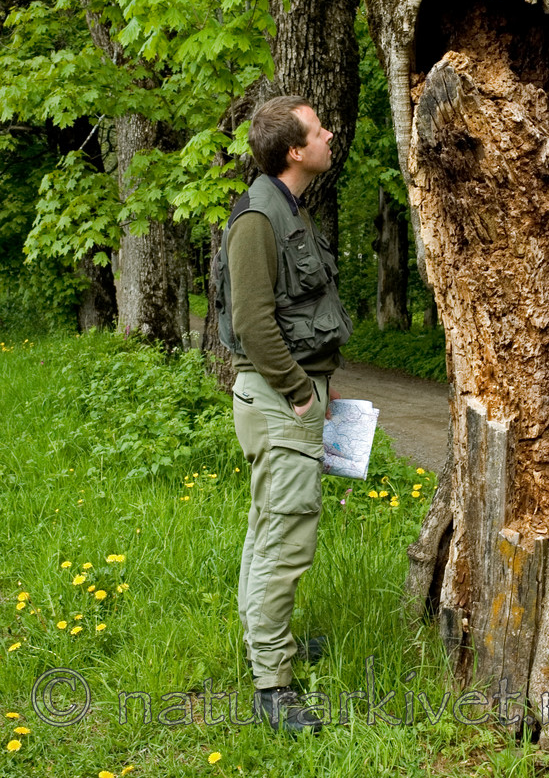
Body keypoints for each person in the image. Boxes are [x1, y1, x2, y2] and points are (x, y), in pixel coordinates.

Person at [215, 95, 353, 733]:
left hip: (290, 394)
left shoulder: (289, 209)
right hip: (278, 399)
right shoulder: (258, 219)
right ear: (294, 151)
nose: (329, 136)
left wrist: (316, 388)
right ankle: (272, 686)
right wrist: (301, 392)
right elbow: (252, 322)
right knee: (286, 538)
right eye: (318, 130)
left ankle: (266, 644)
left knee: (269, 526)